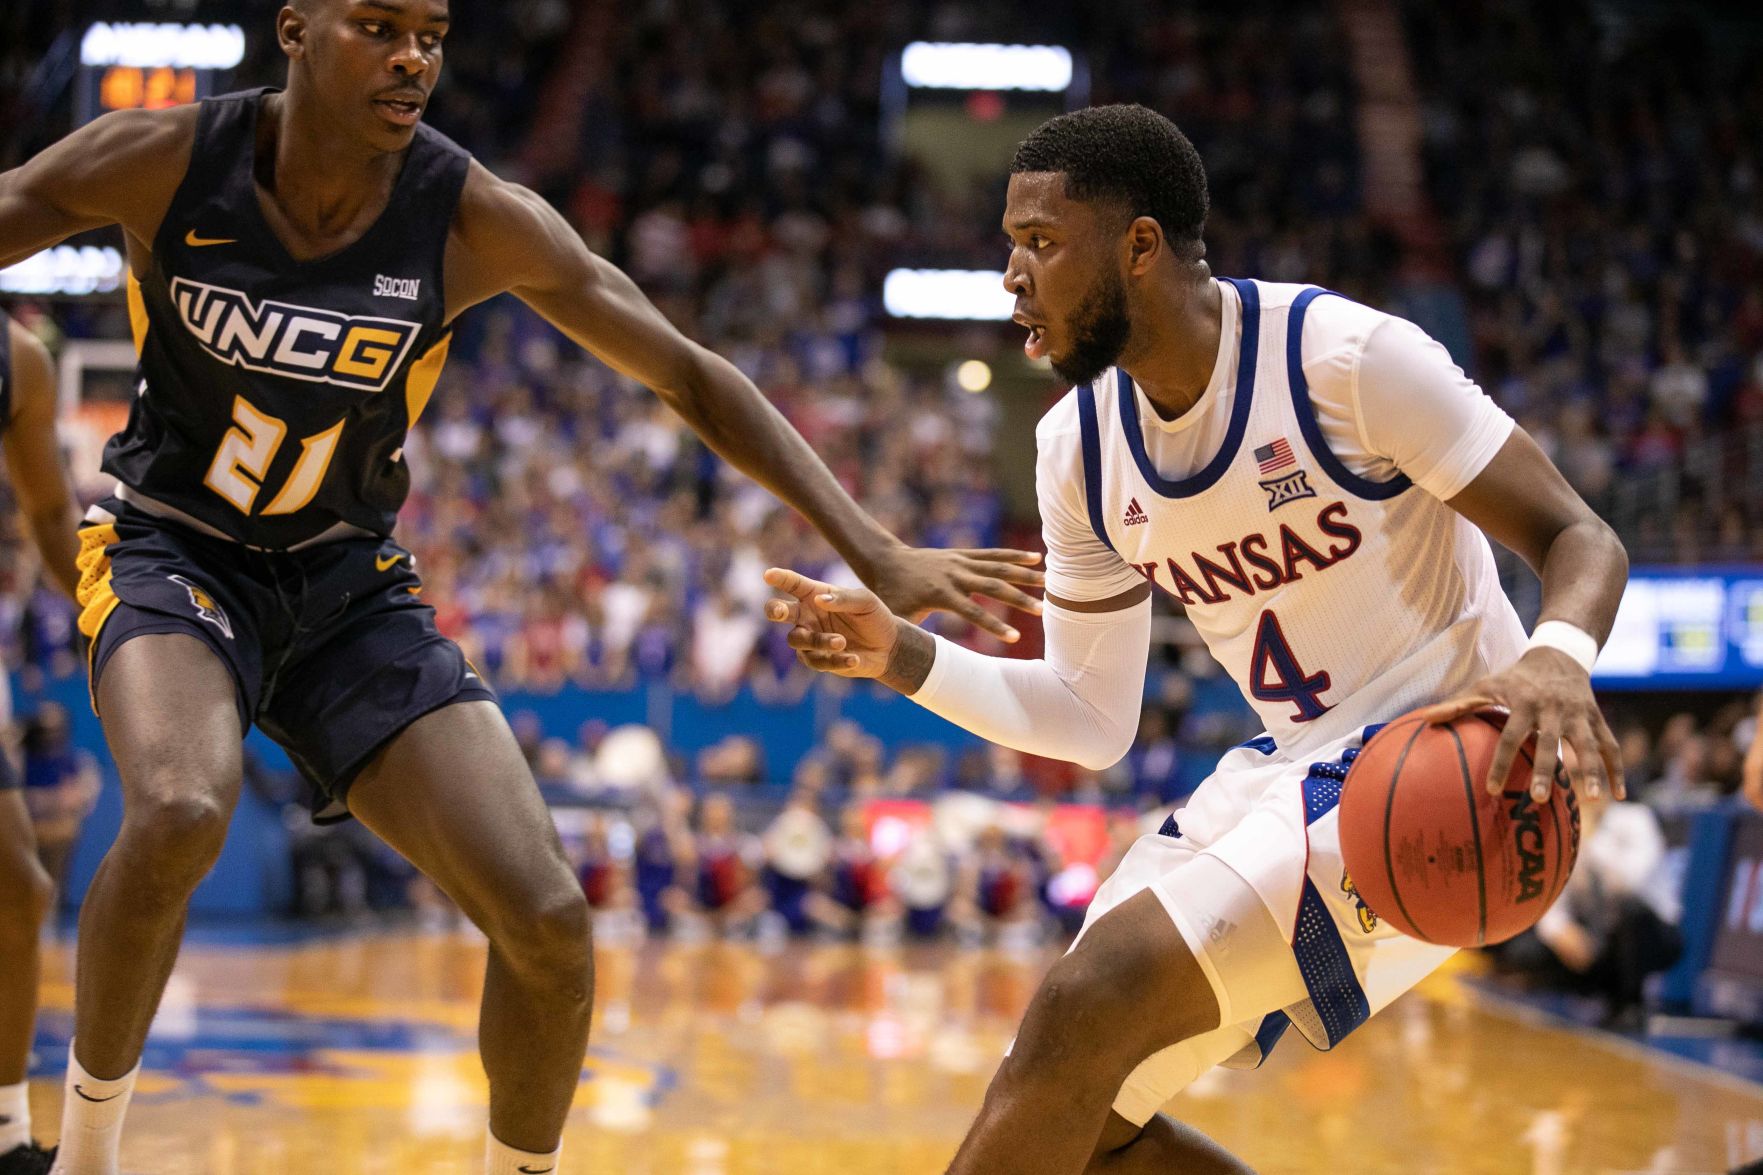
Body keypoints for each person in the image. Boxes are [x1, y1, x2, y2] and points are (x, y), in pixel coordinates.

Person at [0, 4, 1042, 1172]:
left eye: (433, 35)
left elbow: (690, 375)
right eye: (379, 27)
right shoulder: (167, 158)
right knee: (184, 806)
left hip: (347, 587)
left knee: (547, 919)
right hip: (173, 548)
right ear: (296, 30)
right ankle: (83, 1153)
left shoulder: (469, 216)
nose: (413, 58)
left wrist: (874, 549)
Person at [763, 104, 1630, 1174]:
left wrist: (1554, 654)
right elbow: (1087, 719)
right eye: (1007, 246)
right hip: (1289, 765)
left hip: (1440, 765)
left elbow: (1577, 533)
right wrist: (900, 654)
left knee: (1090, 1001)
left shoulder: (1344, 359)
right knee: (1074, 1108)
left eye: (1038, 241)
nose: (1009, 276)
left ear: (1137, 246)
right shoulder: (1075, 447)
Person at [0, 312, 82, 1175]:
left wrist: (120, 623)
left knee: (18, 888)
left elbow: (53, 515)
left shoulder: (16, 358)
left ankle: (7, 1135)